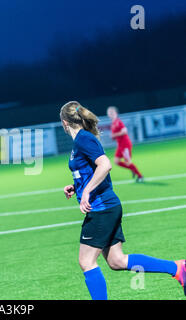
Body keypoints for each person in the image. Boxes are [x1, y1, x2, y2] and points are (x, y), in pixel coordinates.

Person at [60, 101, 186, 300]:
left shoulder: (83, 139)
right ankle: (178, 268)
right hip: (106, 207)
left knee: (86, 262)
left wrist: (86, 193)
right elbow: (90, 170)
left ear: (65, 123)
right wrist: (77, 187)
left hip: (102, 208)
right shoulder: (82, 141)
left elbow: (105, 165)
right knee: (117, 261)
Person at [107, 106, 144, 182]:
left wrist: (114, 135)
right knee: (116, 161)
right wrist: (114, 136)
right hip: (120, 145)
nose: (110, 114)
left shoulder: (118, 122)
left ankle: (140, 176)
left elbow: (124, 131)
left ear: (116, 113)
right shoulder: (113, 123)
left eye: (112, 112)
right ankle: (131, 168)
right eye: (109, 112)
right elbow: (116, 135)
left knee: (128, 162)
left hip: (125, 145)